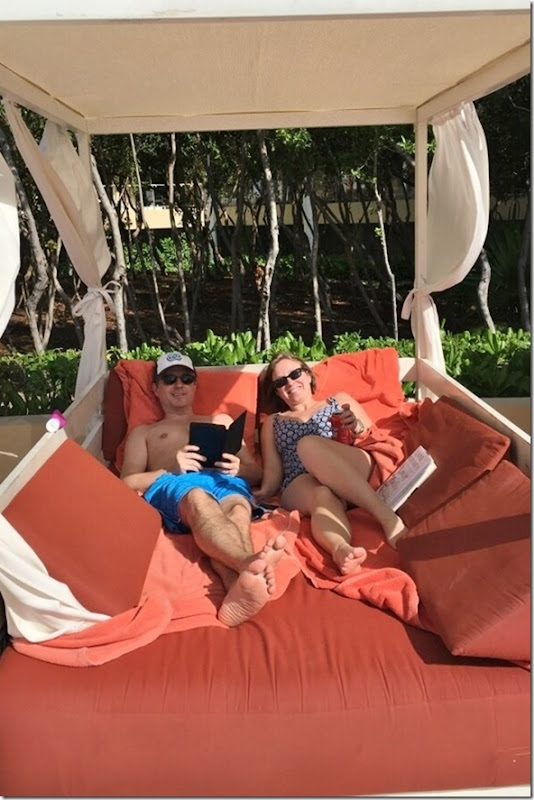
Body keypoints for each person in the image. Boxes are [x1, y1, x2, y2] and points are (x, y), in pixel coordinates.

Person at [120, 351, 286, 627]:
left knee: (238, 509)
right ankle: (249, 562)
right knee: (198, 499)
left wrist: (239, 469)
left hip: (225, 481)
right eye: (169, 379)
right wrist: (170, 468)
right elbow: (126, 482)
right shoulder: (145, 433)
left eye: (186, 378)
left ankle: (238, 586)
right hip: (175, 483)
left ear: (195, 385)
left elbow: (256, 472)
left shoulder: (221, 421)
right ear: (155, 388)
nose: (179, 385)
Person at [254, 352, 407, 573]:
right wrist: (258, 493)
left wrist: (356, 427)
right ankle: (341, 550)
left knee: (308, 445)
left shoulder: (339, 401)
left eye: (295, 374)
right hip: (302, 480)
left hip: (348, 466)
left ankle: (387, 517)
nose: (290, 383)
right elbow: (273, 473)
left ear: (308, 375)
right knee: (321, 495)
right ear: (277, 391)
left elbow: (372, 437)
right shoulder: (273, 422)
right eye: (280, 382)